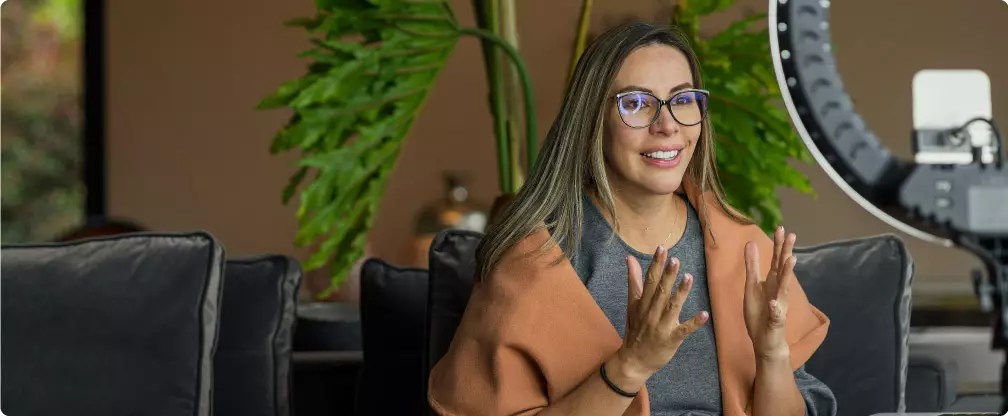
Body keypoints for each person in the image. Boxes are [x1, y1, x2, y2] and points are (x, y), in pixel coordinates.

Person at [427, 21, 837, 416]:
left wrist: (771, 353)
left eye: (682, 100)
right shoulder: (531, 264)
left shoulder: (743, 246)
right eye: (636, 103)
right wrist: (631, 365)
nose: (667, 125)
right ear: (593, 122)